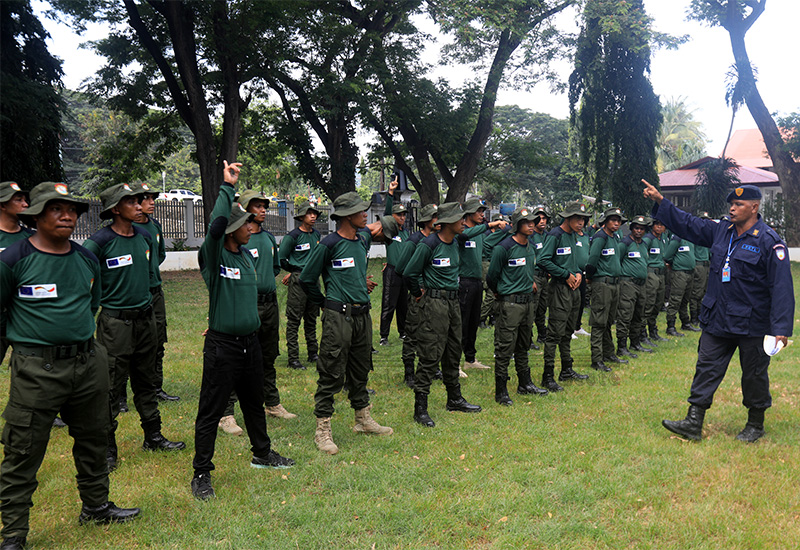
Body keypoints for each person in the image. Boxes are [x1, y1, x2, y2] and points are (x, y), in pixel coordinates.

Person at [0, 182, 140, 550]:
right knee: (23, 450)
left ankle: (96, 507)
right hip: (35, 369)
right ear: (36, 215)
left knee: (94, 439)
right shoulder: (12, 260)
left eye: (72, 209)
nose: (67, 215)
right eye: (55, 208)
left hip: (87, 363)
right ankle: (14, 533)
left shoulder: (86, 259)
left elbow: (91, 303)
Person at [643, 180, 794, 443]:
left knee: (754, 373)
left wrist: (780, 329)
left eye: (739, 204)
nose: (733, 209)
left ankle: (755, 424)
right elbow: (689, 224)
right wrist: (660, 202)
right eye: (731, 205)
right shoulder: (721, 230)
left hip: (752, 322)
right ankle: (693, 421)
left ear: (754, 207)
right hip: (718, 316)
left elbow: (781, 287)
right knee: (706, 367)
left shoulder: (770, 242)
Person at [192, 162, 294, 501]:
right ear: (231, 229)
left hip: (251, 343)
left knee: (254, 402)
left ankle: (262, 453)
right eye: (245, 223)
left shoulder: (247, 256)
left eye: (251, 222)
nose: (251, 227)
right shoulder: (215, 256)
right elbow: (215, 226)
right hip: (224, 347)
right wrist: (226, 186)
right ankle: (201, 473)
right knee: (210, 410)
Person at [84, 184, 185, 473]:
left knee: (146, 378)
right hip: (115, 323)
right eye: (130, 201)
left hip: (145, 318)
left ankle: (153, 436)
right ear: (115, 209)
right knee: (111, 385)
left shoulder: (144, 236)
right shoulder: (99, 242)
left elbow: (151, 272)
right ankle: (107, 449)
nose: (139, 204)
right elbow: (85, 282)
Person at [299, 192, 393, 454]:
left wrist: (393, 197)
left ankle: (362, 419)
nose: (366, 215)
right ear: (346, 216)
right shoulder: (328, 244)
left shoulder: (362, 239)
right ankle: (323, 429)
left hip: (363, 316)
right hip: (338, 317)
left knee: (361, 367)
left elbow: (384, 224)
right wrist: (325, 302)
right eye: (361, 211)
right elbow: (307, 278)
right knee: (331, 369)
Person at [217, 189, 298, 437]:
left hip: (269, 304)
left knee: (268, 355)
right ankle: (226, 413)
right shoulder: (236, 240)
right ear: (243, 208)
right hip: (245, 304)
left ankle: (272, 403)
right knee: (237, 358)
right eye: (257, 205)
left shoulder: (269, 238)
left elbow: (274, 267)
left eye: (265, 206)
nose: (263, 210)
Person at [404, 202, 482, 427]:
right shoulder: (429, 244)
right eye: (460, 219)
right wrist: (419, 294)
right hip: (434, 304)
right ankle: (421, 408)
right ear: (447, 223)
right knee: (430, 353)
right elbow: (410, 272)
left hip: (453, 302)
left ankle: (454, 398)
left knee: (453, 349)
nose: (463, 222)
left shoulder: (457, 241)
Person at [487, 207, 548, 405]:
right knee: (505, 347)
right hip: (510, 304)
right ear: (515, 225)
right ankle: (501, 390)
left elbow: (527, 269)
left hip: (528, 303)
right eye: (527, 222)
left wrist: (529, 281)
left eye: (533, 221)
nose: (532, 224)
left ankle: (525, 383)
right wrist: (502, 292)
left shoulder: (530, 246)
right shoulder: (503, 248)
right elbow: (492, 277)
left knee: (524, 344)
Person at [132, 183, 180, 402]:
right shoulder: (124, 229)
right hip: (133, 294)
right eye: (146, 198)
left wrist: (150, 272)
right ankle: (121, 396)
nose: (152, 202)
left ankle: (155, 387)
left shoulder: (155, 226)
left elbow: (159, 255)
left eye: (153, 198)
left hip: (155, 291)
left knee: (158, 340)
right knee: (129, 345)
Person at [537, 201, 591, 391]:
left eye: (583, 219)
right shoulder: (555, 235)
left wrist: (576, 273)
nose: (581, 222)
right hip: (560, 289)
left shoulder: (574, 236)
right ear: (567, 217)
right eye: (577, 218)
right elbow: (543, 260)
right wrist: (564, 274)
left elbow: (574, 261)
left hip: (575, 288)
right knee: (554, 333)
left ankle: (567, 369)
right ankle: (548, 375)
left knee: (568, 331)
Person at [459, 198, 508, 372]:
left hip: (477, 282)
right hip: (463, 282)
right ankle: (455, 361)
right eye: (478, 211)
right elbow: (465, 236)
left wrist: (505, 232)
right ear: (469, 213)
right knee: (461, 323)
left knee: (473, 322)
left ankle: (470, 359)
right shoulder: (462, 231)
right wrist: (490, 224)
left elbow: (487, 244)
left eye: (482, 211)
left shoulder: (479, 233)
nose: (482, 214)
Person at [395, 204, 439, 388]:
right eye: (435, 217)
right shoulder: (414, 240)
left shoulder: (438, 240)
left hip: (434, 295)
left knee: (432, 333)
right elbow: (400, 269)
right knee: (412, 333)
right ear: (427, 220)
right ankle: (409, 372)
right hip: (418, 295)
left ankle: (432, 368)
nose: (439, 221)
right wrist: (416, 289)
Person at [278, 201, 321, 370]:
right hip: (299, 280)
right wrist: (294, 271)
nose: (313, 216)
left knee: (311, 318)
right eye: (309, 213)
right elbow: (281, 258)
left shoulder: (316, 235)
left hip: (314, 281)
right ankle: (293, 358)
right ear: (301, 216)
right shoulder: (293, 236)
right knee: (294, 320)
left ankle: (313, 353)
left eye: (314, 213)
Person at [585, 207, 625, 372]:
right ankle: (597, 359)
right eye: (613, 220)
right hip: (602, 283)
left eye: (618, 221)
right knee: (599, 321)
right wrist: (590, 277)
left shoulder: (615, 237)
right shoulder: (600, 237)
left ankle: (609, 353)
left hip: (615, 284)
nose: (616, 223)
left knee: (609, 320)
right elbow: (592, 260)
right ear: (605, 221)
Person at [0, 182, 32, 365]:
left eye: (25, 200)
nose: (26, 204)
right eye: (18, 199)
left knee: (31, 373)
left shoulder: (32, 238)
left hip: (25, 317)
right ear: (2, 205)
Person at [615, 215, 654, 358]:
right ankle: (621, 346)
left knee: (639, 314)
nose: (639, 231)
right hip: (628, 283)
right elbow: (616, 261)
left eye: (642, 229)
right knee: (625, 314)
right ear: (631, 229)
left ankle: (635, 342)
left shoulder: (644, 244)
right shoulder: (624, 243)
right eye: (636, 228)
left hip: (642, 285)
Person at [378, 177, 409, 346]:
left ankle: (403, 332)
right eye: (399, 215)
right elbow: (387, 215)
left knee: (403, 305)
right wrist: (390, 192)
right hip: (392, 272)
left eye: (404, 215)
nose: (402, 217)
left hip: (405, 273)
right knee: (389, 304)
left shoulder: (406, 234)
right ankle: (384, 336)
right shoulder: (390, 232)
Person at [663, 232, 697, 337]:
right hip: (680, 273)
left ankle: (685, 323)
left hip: (690, 273)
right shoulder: (677, 238)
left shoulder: (690, 237)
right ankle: (670, 326)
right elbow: (667, 256)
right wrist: (675, 264)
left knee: (685, 300)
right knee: (675, 299)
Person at [642, 217, 669, 343]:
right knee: (649, 303)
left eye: (662, 225)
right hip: (651, 272)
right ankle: (642, 334)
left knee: (658, 303)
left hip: (661, 273)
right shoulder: (648, 239)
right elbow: (642, 253)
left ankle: (653, 331)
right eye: (657, 224)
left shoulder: (662, 238)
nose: (659, 227)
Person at [530, 207, 551, 347]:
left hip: (546, 277)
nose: (542, 221)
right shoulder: (530, 236)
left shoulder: (549, 236)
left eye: (544, 218)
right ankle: (528, 337)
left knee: (543, 307)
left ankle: (542, 335)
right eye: (539, 218)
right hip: (535, 275)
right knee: (532, 307)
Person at [690, 212, 713, 328]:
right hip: (698, 265)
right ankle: (694, 317)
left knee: (704, 292)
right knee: (696, 293)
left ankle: (701, 315)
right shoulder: (696, 235)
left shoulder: (708, 236)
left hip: (707, 265)